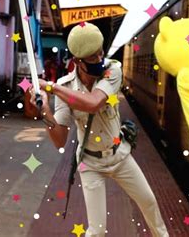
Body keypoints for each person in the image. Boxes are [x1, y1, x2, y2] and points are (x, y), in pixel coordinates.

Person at [30, 22, 169, 237]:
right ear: (77, 61)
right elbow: (59, 140)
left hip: (119, 156)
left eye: (100, 53)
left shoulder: (111, 70)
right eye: (92, 57)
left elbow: (93, 103)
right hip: (90, 164)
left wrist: (50, 87)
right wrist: (46, 111)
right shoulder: (66, 86)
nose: (99, 60)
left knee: (149, 202)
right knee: (97, 231)